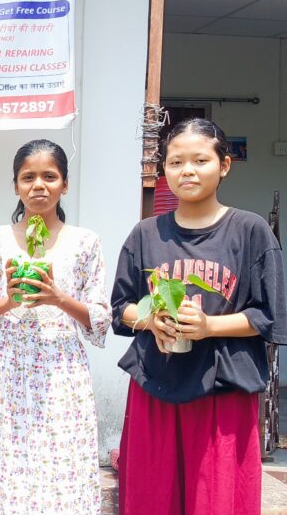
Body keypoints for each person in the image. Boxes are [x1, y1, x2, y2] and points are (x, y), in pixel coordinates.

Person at [110, 118, 287, 515]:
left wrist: (209, 327)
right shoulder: (146, 234)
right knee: (151, 499)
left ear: (224, 165)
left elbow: (269, 316)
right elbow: (121, 307)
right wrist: (151, 319)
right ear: (164, 170)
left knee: (218, 501)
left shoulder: (250, 231)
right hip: (155, 384)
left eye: (200, 160)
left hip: (221, 391)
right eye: (175, 162)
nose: (186, 170)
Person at [0, 139, 111, 514]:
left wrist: (59, 299)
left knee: (63, 462)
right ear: (15, 185)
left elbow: (99, 318)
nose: (38, 185)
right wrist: (9, 301)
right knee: (5, 461)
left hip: (63, 368)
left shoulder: (85, 242)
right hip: (7, 363)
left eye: (50, 176)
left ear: (65, 184)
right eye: (28, 177)